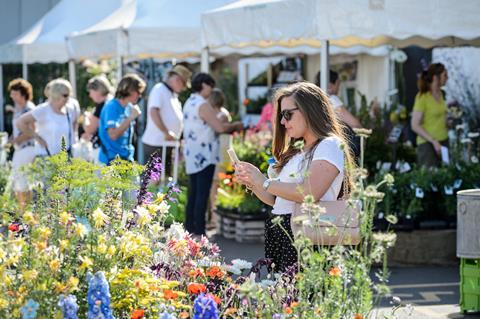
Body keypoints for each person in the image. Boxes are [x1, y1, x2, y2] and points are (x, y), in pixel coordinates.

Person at [235, 82, 355, 273]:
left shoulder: (329, 145)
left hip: (306, 236)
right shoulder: (298, 150)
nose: (283, 122)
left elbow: (310, 193)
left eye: (287, 114)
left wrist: (264, 181)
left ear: (309, 110)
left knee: (302, 299)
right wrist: (254, 182)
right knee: (285, 299)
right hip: (285, 233)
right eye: (281, 116)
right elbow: (277, 201)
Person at [183, 73, 243, 236]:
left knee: (193, 192)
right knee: (202, 193)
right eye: (210, 85)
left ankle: (189, 227)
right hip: (204, 155)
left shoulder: (189, 101)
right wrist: (236, 125)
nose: (212, 89)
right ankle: (200, 231)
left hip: (192, 153)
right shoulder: (202, 104)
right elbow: (220, 128)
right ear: (203, 85)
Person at [142, 65, 192, 172]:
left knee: (165, 179)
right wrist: (166, 132)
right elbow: (153, 112)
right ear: (177, 79)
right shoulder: (159, 89)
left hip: (166, 144)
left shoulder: (171, 94)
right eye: (183, 84)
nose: (183, 89)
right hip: (156, 144)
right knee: (154, 179)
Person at [17, 78, 79, 158]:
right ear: (56, 94)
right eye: (65, 95)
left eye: (69, 95)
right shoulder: (43, 109)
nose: (68, 98)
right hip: (46, 156)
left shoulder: (70, 109)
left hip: (65, 157)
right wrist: (36, 137)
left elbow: (74, 129)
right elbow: (20, 122)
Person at [98, 73, 145, 165]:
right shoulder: (111, 107)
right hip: (111, 160)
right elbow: (113, 135)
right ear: (130, 90)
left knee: (136, 180)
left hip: (126, 158)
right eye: (138, 92)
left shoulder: (128, 107)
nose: (140, 96)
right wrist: (131, 118)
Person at [316, 70, 362, 158]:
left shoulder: (314, 98)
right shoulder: (331, 99)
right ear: (330, 85)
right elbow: (355, 124)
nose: (339, 87)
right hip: (333, 148)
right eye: (338, 84)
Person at [411, 63, 449, 167]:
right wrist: (433, 141)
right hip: (428, 145)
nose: (447, 78)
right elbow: (414, 125)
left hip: (444, 142)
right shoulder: (422, 97)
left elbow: (440, 118)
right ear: (435, 77)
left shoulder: (442, 94)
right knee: (430, 179)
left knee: (446, 177)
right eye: (445, 75)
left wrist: (449, 121)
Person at [7, 78, 36, 209]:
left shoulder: (29, 109)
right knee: (19, 182)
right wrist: (10, 140)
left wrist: (15, 140)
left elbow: (32, 131)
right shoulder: (19, 109)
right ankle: (23, 212)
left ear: (23, 94)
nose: (12, 96)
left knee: (24, 182)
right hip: (20, 149)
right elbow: (17, 131)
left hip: (28, 149)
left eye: (15, 94)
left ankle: (26, 213)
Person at [207, 88, 232, 230]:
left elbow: (215, 129)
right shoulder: (222, 113)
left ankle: (215, 219)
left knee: (215, 187)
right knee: (215, 187)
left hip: (219, 155)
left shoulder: (221, 115)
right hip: (219, 154)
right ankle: (215, 218)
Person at [82, 75, 114, 150]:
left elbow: (90, 129)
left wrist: (86, 116)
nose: (90, 95)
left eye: (90, 92)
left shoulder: (102, 105)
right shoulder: (112, 101)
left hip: (103, 149)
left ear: (97, 90)